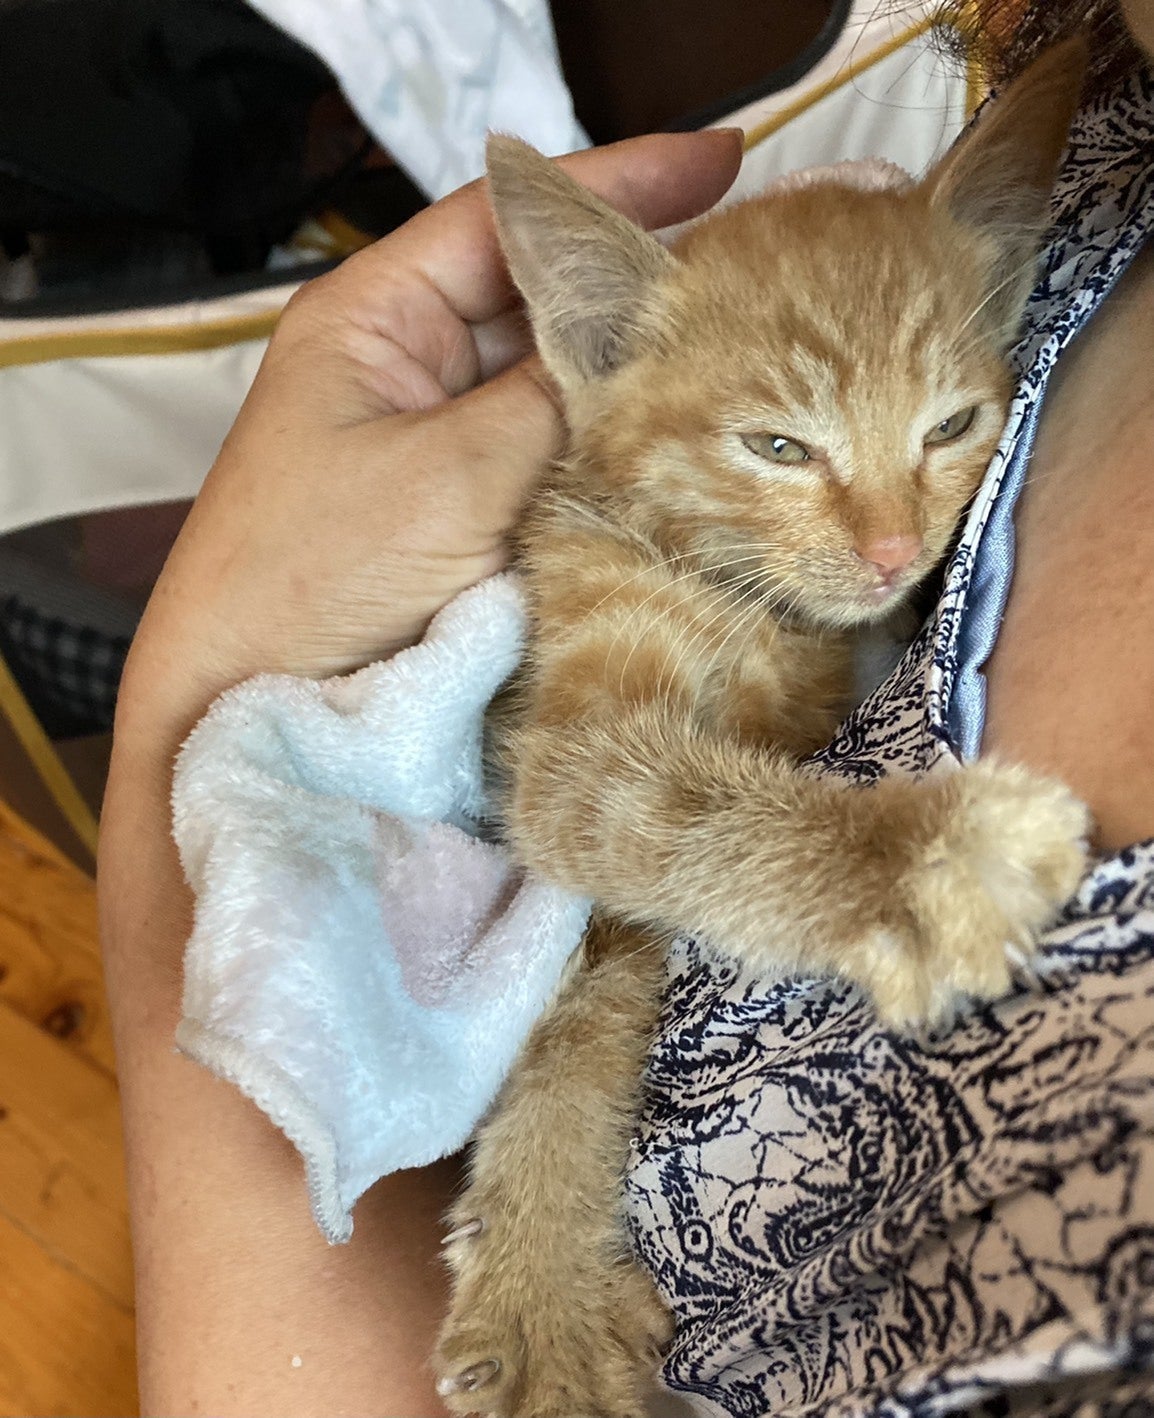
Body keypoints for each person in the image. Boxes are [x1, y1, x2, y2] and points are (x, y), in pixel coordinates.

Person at [98, 1, 1154, 1412]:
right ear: (595, 341)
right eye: (782, 447)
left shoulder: (1009, 247)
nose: (889, 539)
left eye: (948, 429)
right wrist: (854, 867)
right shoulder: (624, 537)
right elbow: (576, 800)